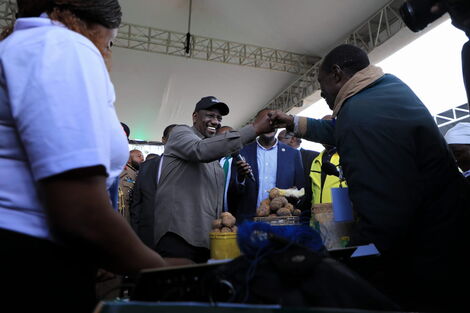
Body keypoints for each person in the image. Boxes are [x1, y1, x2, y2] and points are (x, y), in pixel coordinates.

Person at [0, 1, 184, 312]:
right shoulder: (63, 46)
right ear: (97, 29)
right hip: (32, 265)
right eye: (110, 42)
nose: (108, 53)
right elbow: (79, 211)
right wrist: (157, 267)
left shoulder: (31, 44)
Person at [269, 44, 469, 312]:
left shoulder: (360, 115)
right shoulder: (386, 87)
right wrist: (293, 122)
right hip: (453, 233)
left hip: (428, 255)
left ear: (337, 74)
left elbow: (382, 215)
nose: (322, 93)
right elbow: (339, 129)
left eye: (322, 83)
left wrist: (345, 263)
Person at [153, 96, 273, 263]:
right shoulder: (181, 133)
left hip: (205, 241)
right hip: (178, 237)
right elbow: (200, 150)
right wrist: (254, 129)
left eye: (219, 118)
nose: (215, 121)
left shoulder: (215, 161)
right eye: (210, 115)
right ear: (195, 117)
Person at [229, 109, 305, 224]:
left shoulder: (293, 154)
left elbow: (301, 190)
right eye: (264, 122)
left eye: (273, 121)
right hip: (249, 223)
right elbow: (232, 193)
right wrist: (241, 179)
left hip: (282, 224)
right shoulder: (242, 152)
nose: (269, 125)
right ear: (256, 124)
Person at [130, 124, 176, 248]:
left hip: (179, 240)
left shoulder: (192, 168)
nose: (177, 141)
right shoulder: (146, 167)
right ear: (164, 140)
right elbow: (137, 204)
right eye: (173, 137)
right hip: (147, 237)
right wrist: (135, 235)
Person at [277, 129, 318, 213]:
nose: (276, 143)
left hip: (308, 211)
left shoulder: (314, 157)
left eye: (280, 139)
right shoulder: (277, 159)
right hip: (282, 210)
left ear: (293, 139)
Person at [118, 149, 144, 223]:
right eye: (139, 156)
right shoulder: (125, 172)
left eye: (142, 156)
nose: (142, 159)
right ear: (129, 159)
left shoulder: (135, 173)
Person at [217, 125, 235, 212]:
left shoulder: (243, 159)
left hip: (236, 213)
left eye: (228, 137)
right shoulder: (212, 160)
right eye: (220, 139)